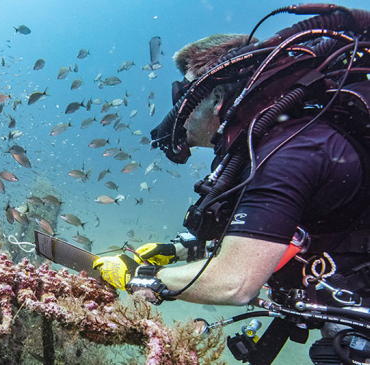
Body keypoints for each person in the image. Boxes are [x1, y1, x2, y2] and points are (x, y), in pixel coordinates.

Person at [93, 27, 370, 362]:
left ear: (217, 98)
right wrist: (180, 250)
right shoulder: (266, 148)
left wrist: (142, 276)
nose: (180, 110)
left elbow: (235, 282)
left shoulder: (289, 152)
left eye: (186, 95)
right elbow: (281, 235)